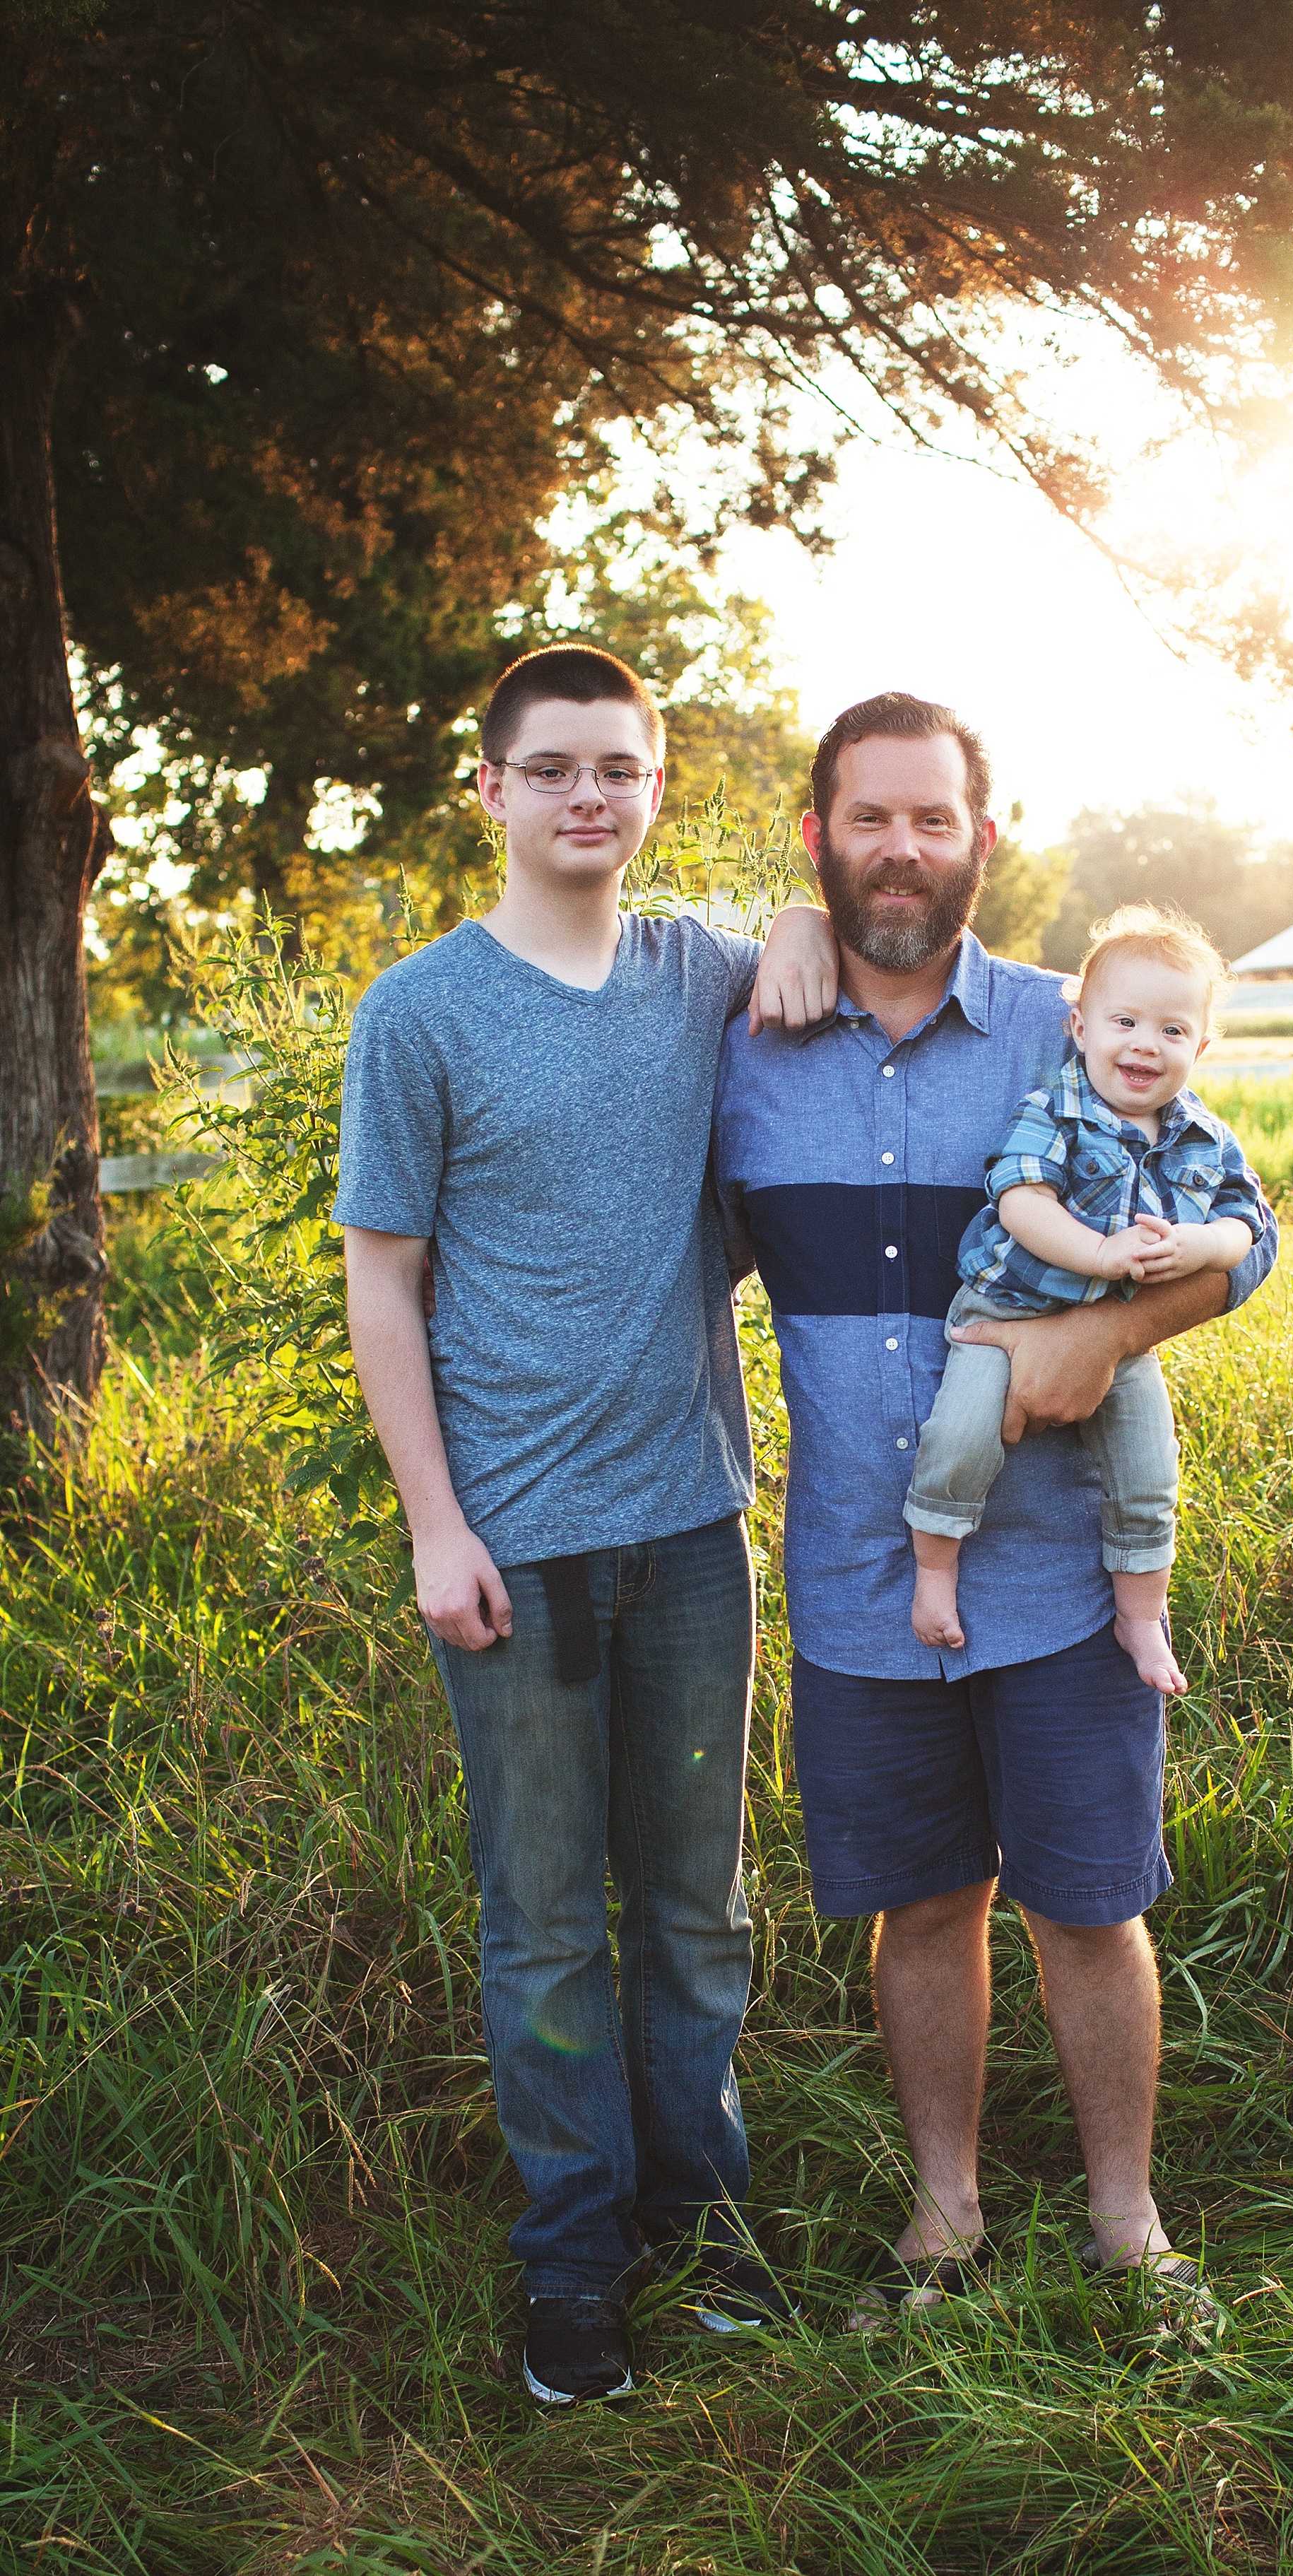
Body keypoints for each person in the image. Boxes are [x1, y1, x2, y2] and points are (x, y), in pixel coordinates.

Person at [713, 693, 1277, 2317]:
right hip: (856, 1576)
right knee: (923, 1904)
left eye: (932, 818)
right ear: (818, 835)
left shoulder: (1072, 1023)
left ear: (984, 835)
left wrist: (1103, 1332)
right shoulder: (746, 1038)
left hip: (1054, 1575)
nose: (901, 848)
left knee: (1088, 1904)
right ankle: (943, 2216)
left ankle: (1127, 2223)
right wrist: (769, 930)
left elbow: (1250, 1227)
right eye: (867, 818)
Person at [336, 642, 839, 2406]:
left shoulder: (701, 970)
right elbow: (382, 1287)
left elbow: (837, 930)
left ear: (653, 787)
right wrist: (432, 1525)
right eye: (552, 769)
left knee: (696, 1910)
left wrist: (792, 914)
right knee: (546, 1920)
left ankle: (707, 2237)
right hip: (516, 1547)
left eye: (617, 769)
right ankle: (574, 2270)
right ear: (489, 790)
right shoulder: (421, 1011)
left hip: (694, 1528)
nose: (586, 798)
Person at [905, 904, 1265, 1693]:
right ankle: (936, 1569)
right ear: (1080, 1027)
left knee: (1149, 1468)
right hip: (1000, 1317)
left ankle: (1141, 1615)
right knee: (961, 1438)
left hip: (1115, 1332)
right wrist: (1102, 1251)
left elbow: (1247, 1224)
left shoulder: (1206, 1138)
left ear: (1201, 1046)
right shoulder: (1056, 1111)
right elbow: (1020, 1201)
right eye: (1125, 1021)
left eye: (1172, 1031)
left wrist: (1198, 1246)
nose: (1145, 1043)